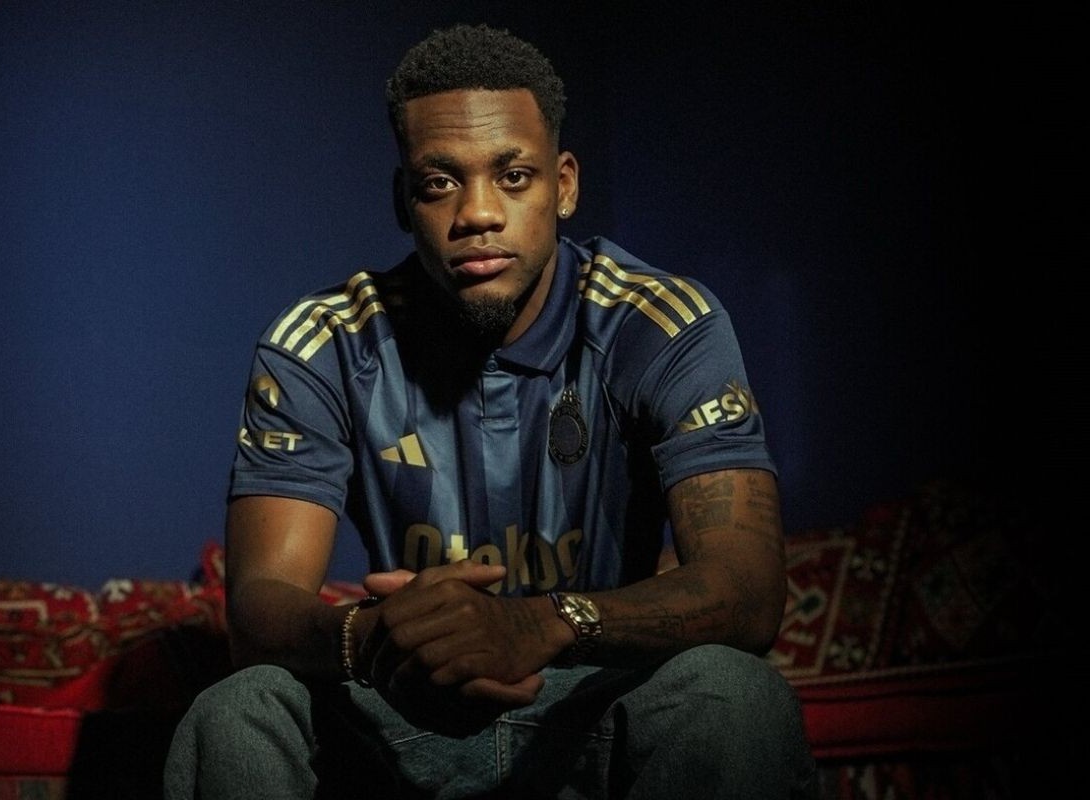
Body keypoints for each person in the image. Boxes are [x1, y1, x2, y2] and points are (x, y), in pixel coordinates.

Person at [164, 22, 818, 800]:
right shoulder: (324, 342)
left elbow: (749, 591)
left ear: (563, 185)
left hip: (593, 704)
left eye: (512, 176)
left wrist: (540, 624)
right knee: (236, 712)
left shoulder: (658, 324)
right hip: (399, 717)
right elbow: (258, 613)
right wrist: (374, 638)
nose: (477, 212)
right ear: (403, 200)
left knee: (735, 696)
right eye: (440, 182)